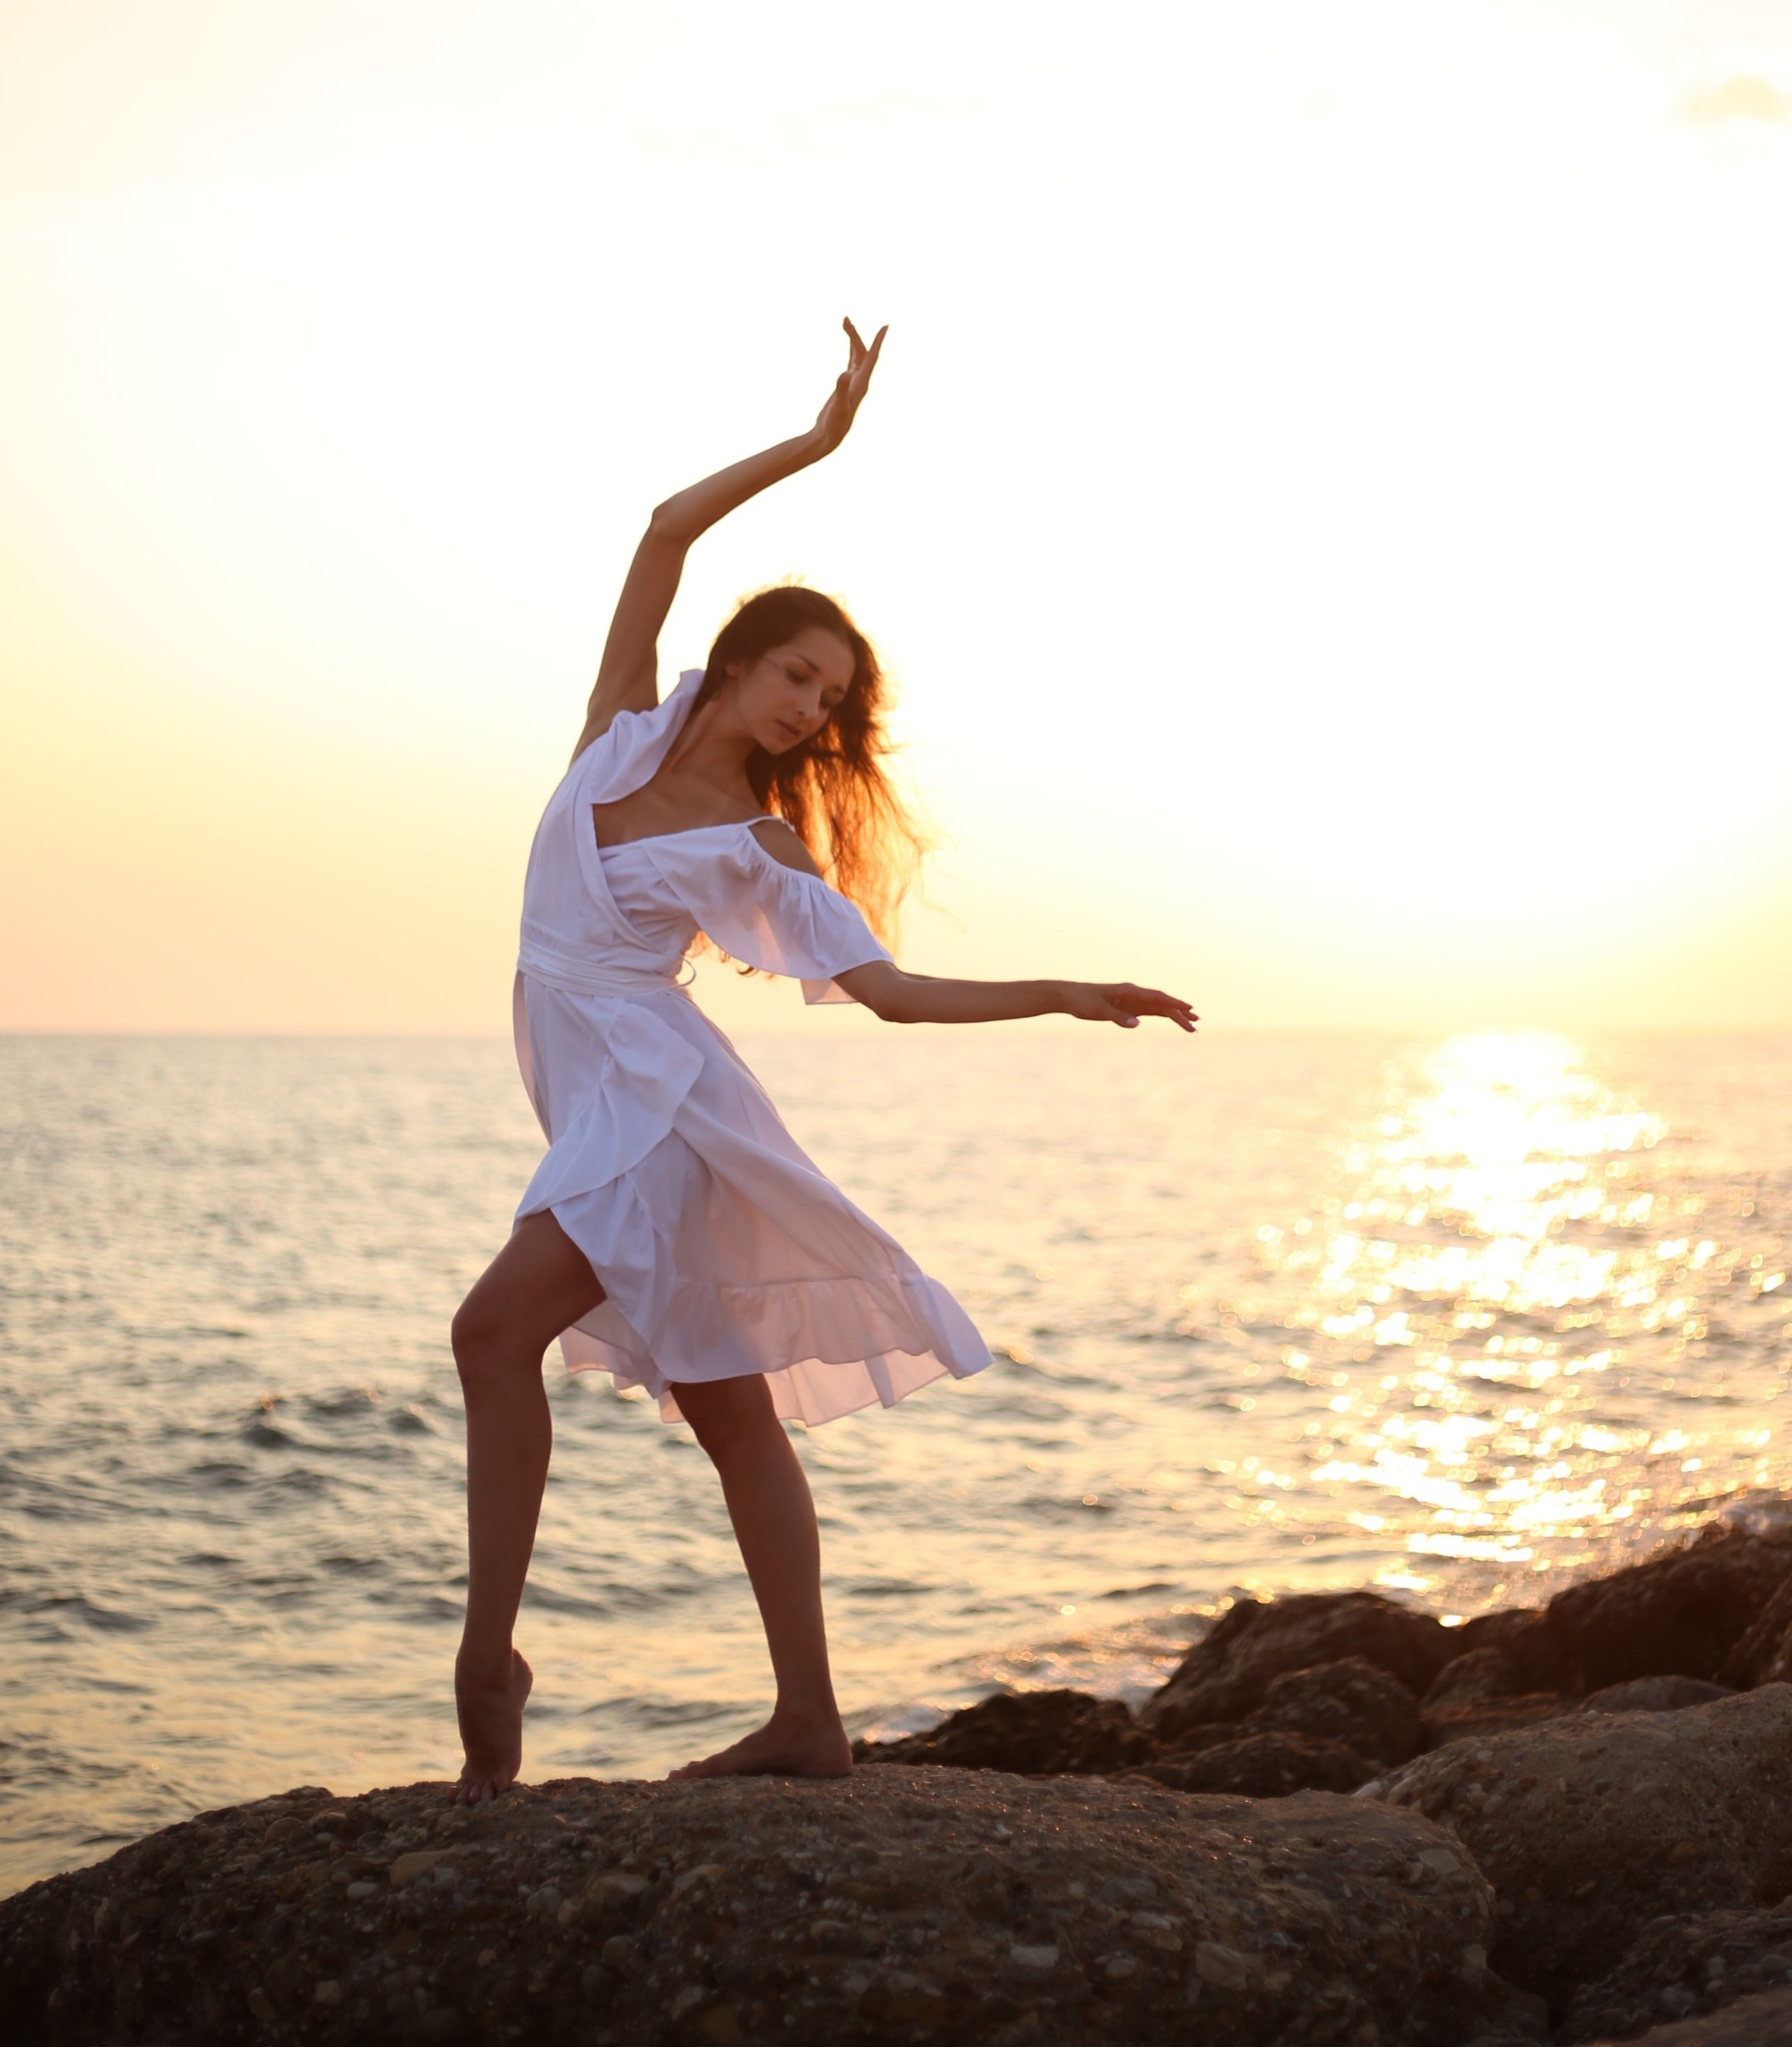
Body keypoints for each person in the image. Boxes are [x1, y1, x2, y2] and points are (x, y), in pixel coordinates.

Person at [450, 319, 1197, 1802]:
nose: (809, 708)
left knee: (491, 1337)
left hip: (657, 1109)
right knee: (729, 1411)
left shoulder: (764, 850)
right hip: (612, 1095)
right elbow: (666, 528)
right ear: (734, 664)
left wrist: (1065, 990)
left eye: (830, 699)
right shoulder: (611, 737)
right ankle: (810, 1717)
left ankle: (491, 1659)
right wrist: (818, 444)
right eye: (796, 673)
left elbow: (893, 992)